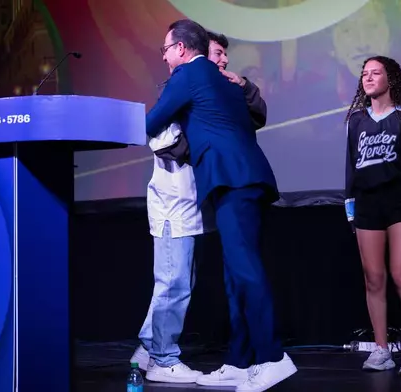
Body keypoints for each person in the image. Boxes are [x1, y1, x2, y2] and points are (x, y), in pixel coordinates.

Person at [146, 19, 297, 392]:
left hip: (234, 179)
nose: (165, 56)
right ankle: (240, 361)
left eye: (166, 49)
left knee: (245, 270)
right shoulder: (225, 81)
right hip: (245, 178)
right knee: (235, 274)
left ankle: (272, 358)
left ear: (181, 48)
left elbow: (152, 122)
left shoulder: (189, 74)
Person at [344, 55, 401, 377]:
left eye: (376, 73)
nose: (368, 78)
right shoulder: (355, 121)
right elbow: (351, 170)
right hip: (367, 206)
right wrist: (351, 210)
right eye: (364, 74)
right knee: (374, 278)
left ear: (390, 79)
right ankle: (381, 350)